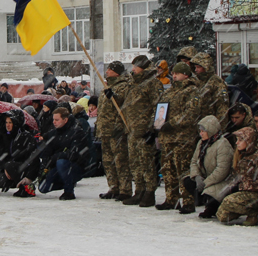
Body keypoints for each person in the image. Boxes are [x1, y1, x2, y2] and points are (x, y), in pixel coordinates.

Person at [154, 62, 201, 211]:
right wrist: (157, 123)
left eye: (177, 73)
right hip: (168, 138)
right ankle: (171, 199)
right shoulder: (169, 91)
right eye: (173, 73)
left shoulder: (191, 91)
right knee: (168, 170)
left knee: (183, 170)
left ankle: (188, 201)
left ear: (185, 75)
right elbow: (161, 109)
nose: (174, 76)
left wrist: (173, 123)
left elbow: (191, 113)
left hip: (183, 138)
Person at [121, 55, 163, 207]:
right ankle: (139, 190)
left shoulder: (153, 83)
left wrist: (154, 128)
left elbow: (159, 107)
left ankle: (149, 192)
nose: (132, 69)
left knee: (147, 162)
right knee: (135, 163)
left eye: (135, 67)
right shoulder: (133, 84)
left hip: (145, 130)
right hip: (132, 129)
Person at [216, 126, 258, 225]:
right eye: (237, 139)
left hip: (256, 194)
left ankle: (254, 212)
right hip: (243, 192)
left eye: (240, 140)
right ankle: (246, 211)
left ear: (249, 140)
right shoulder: (242, 155)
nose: (237, 143)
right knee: (222, 215)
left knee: (228, 202)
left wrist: (246, 185)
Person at [182, 115, 234, 218]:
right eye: (200, 131)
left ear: (211, 130)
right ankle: (207, 203)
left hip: (222, 181)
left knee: (210, 192)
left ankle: (213, 207)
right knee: (188, 181)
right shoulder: (201, 143)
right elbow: (194, 162)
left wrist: (205, 183)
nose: (201, 134)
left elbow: (222, 170)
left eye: (203, 131)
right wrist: (197, 176)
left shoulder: (223, 144)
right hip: (207, 177)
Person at [35, 107, 91, 200]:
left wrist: (58, 156)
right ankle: (65, 180)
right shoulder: (53, 133)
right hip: (57, 165)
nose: (54, 122)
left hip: (75, 165)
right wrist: (45, 166)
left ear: (65, 120)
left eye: (57, 120)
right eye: (53, 119)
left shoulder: (76, 132)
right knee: (43, 188)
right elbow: (47, 152)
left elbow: (75, 154)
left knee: (61, 163)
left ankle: (69, 191)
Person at [97, 61, 133, 200]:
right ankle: (113, 187)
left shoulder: (124, 86)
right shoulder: (106, 87)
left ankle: (125, 189)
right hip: (105, 130)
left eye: (110, 70)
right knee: (108, 161)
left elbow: (124, 104)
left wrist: (114, 96)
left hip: (116, 130)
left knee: (120, 160)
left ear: (116, 72)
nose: (106, 72)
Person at [188, 52, 231, 127]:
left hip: (209, 125)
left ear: (206, 67)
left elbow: (222, 108)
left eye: (198, 67)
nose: (196, 70)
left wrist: (219, 128)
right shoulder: (196, 81)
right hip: (196, 125)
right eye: (195, 67)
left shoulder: (216, 82)